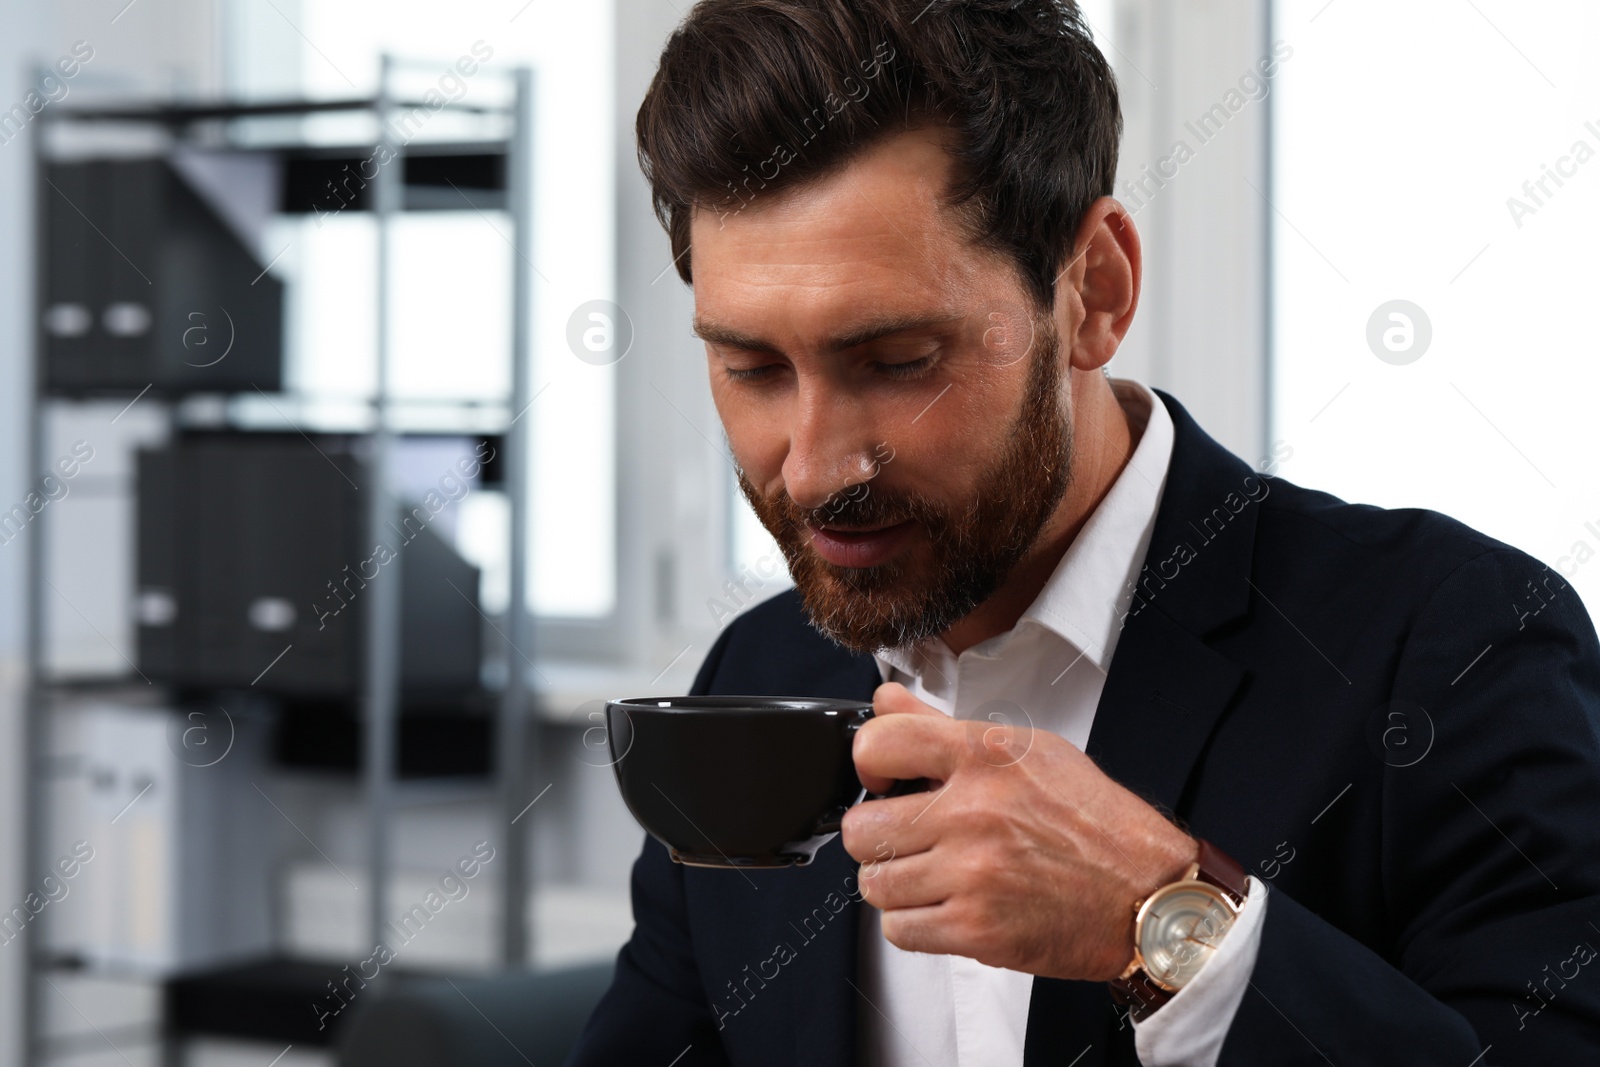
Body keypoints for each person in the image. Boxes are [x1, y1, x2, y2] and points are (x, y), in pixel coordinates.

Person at [568, 1, 1600, 1063]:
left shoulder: (1453, 646)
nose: (817, 467)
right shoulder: (755, 670)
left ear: (1094, 293)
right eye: (752, 369)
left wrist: (1163, 920)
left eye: (899, 360)